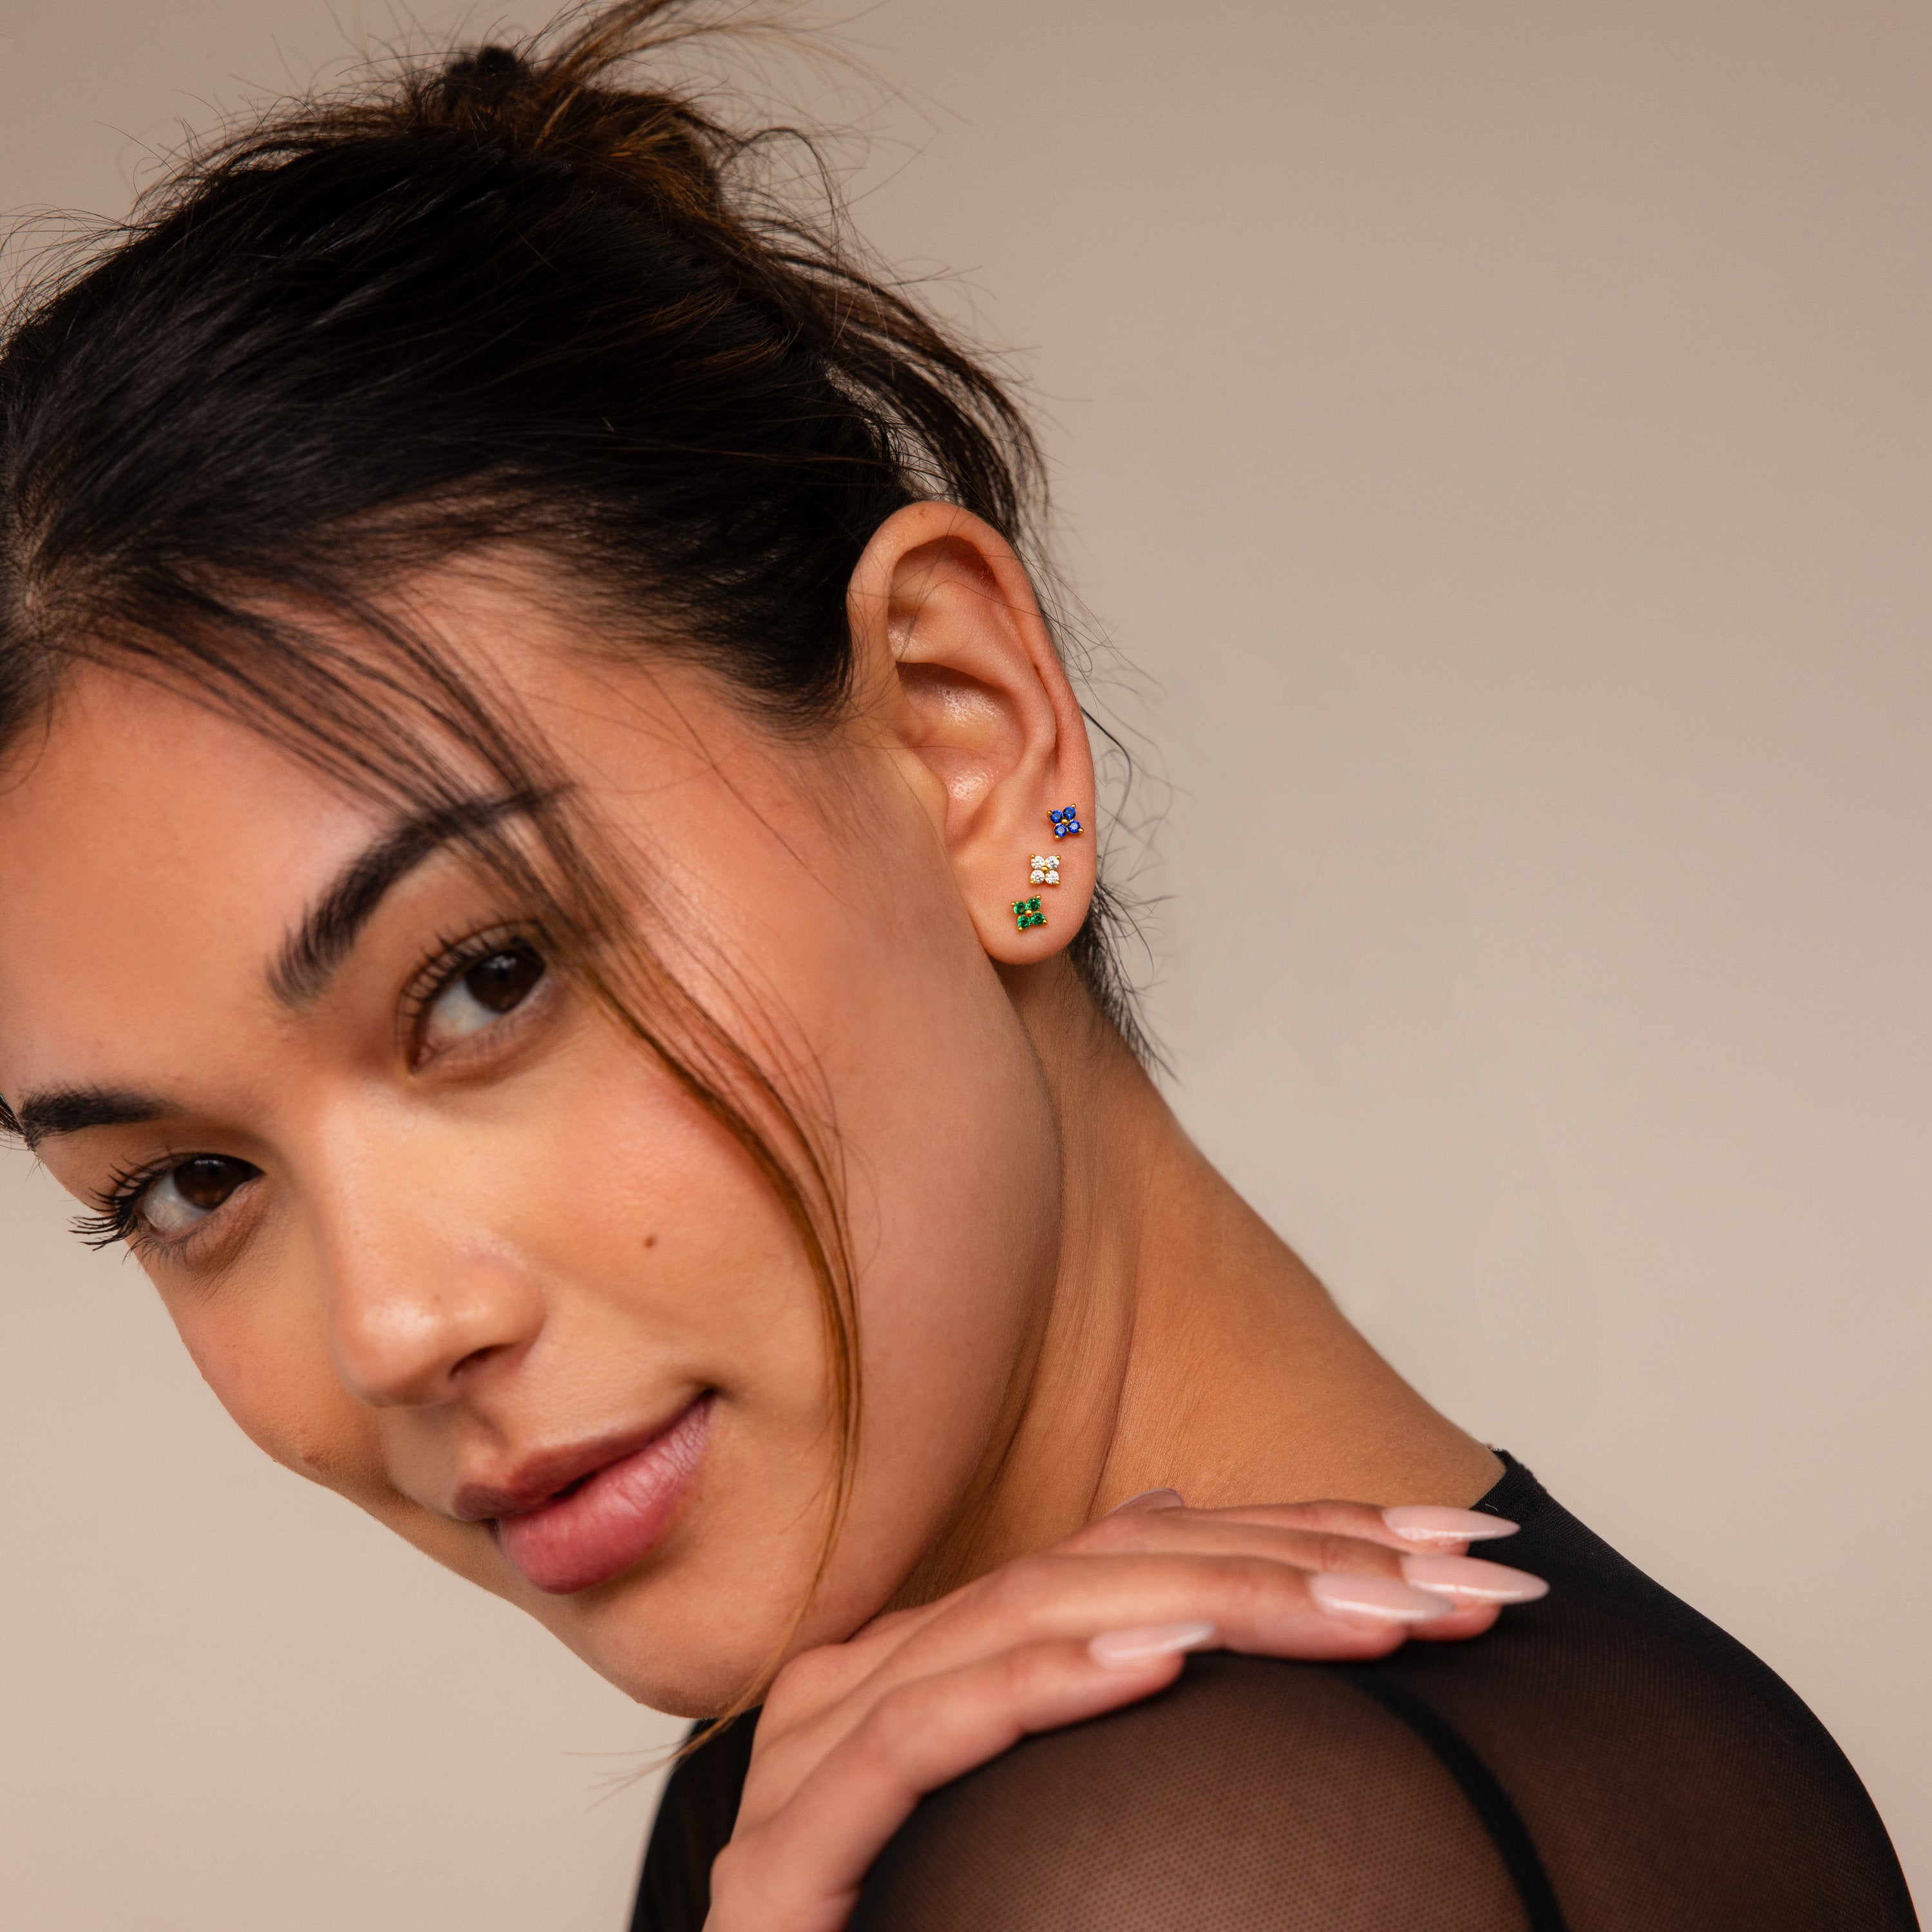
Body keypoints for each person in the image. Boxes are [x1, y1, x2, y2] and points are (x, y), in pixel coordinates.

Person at [0, 5, 1914, 1927]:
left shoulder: (1174, 1852)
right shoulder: (916, 1770)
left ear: (963, 737)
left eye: (488, 979)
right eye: (187, 1184)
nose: (392, 1330)